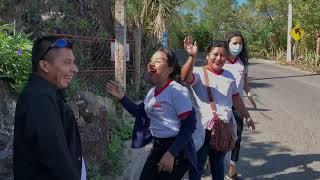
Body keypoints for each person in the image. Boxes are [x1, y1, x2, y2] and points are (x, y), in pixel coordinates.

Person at [106, 48, 197, 180]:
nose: (152, 63)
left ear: (170, 69)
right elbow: (140, 112)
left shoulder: (177, 92)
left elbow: (189, 126)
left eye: (158, 61)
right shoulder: (151, 92)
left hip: (176, 149)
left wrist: (171, 153)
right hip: (158, 147)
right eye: (151, 60)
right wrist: (122, 97)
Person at [181, 37, 255, 180]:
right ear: (208, 55)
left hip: (223, 129)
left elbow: (236, 100)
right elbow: (185, 77)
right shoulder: (198, 73)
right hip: (202, 131)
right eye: (215, 54)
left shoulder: (229, 75)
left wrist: (247, 116)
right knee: (197, 166)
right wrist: (192, 56)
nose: (219, 58)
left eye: (222, 55)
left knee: (218, 165)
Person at [13, 36, 85, 180]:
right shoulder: (39, 99)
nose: (75, 69)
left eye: (73, 62)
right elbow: (56, 157)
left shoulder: (49, 93)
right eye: (67, 62)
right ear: (45, 66)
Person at [223, 31, 256, 180]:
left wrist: (249, 95)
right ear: (228, 44)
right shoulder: (220, 60)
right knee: (213, 137)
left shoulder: (243, 63)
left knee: (236, 138)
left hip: (237, 106)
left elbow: (245, 85)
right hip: (221, 106)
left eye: (240, 43)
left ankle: (232, 170)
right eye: (234, 43)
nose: (238, 46)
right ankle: (209, 162)